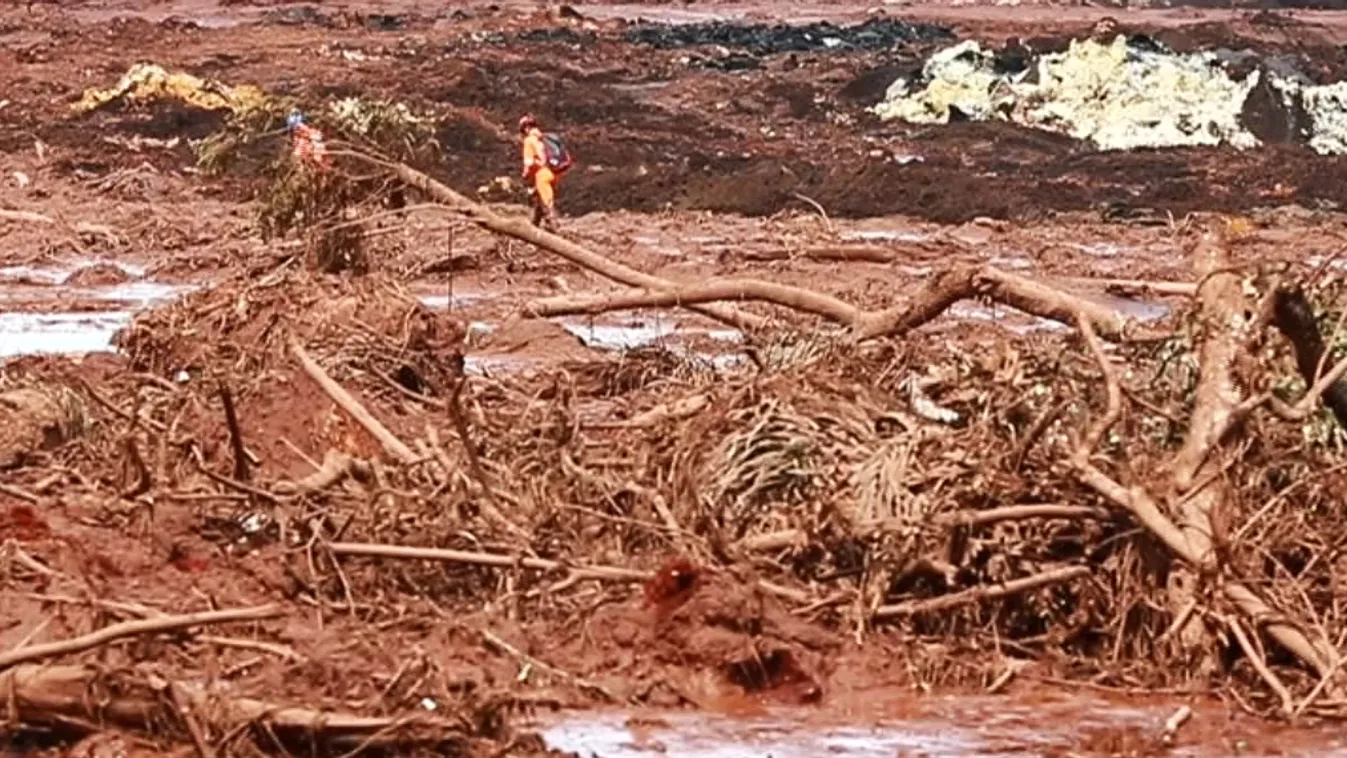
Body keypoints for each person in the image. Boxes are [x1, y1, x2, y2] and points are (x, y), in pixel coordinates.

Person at [519, 114, 569, 230]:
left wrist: (525, 175)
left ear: (526, 128)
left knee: (547, 202)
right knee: (539, 199)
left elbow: (529, 163)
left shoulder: (529, 141)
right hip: (554, 173)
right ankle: (534, 224)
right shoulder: (545, 138)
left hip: (542, 175)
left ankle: (553, 225)